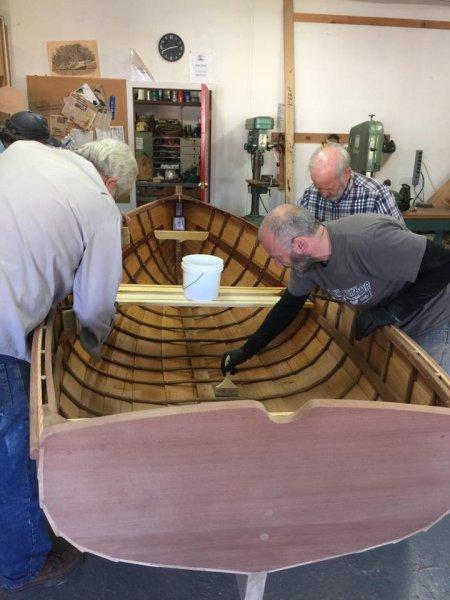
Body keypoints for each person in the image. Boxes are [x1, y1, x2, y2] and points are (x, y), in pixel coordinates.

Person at [0, 138, 138, 593]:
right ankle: (22, 565)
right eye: (119, 196)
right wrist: (93, 345)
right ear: (112, 182)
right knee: (13, 451)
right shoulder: (98, 204)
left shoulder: (23, 150)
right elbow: (96, 302)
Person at [221, 205, 450, 378]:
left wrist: (392, 312)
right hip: (396, 327)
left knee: (436, 407)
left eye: (277, 257)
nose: (278, 265)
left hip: (431, 320)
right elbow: (289, 306)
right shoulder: (306, 263)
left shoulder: (367, 240)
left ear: (300, 244)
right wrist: (247, 350)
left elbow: (444, 264)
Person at [298, 143, 404, 222]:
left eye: (329, 188)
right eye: (318, 187)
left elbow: (398, 240)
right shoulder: (311, 193)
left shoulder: (376, 195)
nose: (323, 194)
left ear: (346, 174)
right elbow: (298, 227)